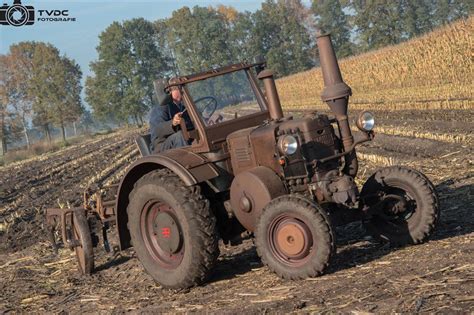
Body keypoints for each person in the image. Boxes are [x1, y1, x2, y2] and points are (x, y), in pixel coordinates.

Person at [149, 85, 193, 153]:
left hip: (183, 139)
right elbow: (158, 130)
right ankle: (189, 160)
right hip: (161, 145)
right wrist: (173, 122)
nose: (183, 91)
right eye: (179, 89)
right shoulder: (160, 108)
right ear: (170, 92)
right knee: (179, 136)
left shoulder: (183, 107)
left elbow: (191, 123)